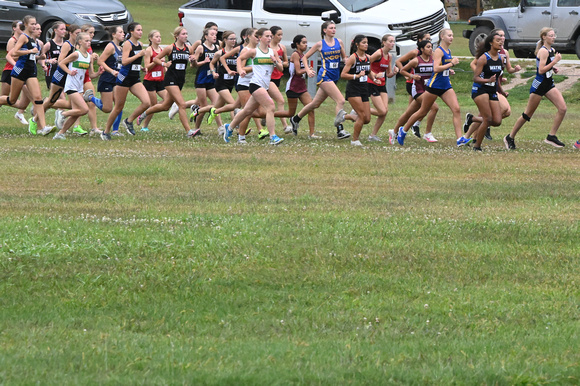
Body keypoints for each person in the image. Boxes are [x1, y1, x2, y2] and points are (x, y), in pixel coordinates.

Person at [397, 28, 470, 147]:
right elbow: (436, 68)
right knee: (422, 111)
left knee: (456, 109)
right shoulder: (438, 51)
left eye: (452, 35)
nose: (452, 37)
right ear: (442, 37)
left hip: (445, 85)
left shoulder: (448, 50)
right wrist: (451, 63)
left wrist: (448, 69)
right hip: (434, 86)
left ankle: (459, 139)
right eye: (449, 35)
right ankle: (403, 130)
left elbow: (442, 67)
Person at [504, 27, 566, 149]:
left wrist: (553, 68)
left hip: (548, 84)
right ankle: (510, 137)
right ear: (544, 37)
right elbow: (541, 70)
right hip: (539, 84)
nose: (553, 38)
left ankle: (551, 136)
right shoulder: (543, 51)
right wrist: (555, 62)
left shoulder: (552, 49)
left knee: (562, 108)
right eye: (551, 35)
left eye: (554, 35)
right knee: (527, 114)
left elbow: (546, 65)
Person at [289, 21, 350, 139]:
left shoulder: (339, 42)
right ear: (324, 30)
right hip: (324, 77)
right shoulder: (320, 44)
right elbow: (305, 57)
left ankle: (295, 119)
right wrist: (307, 70)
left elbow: (344, 57)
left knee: (315, 104)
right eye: (331, 28)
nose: (333, 30)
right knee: (340, 101)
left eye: (334, 28)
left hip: (334, 76)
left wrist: (346, 60)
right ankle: (340, 130)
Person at [136, 26, 200, 138]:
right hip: (170, 79)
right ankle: (189, 132)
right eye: (183, 34)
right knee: (182, 104)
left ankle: (144, 114)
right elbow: (156, 59)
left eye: (186, 34)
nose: (186, 36)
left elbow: (193, 66)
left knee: (165, 106)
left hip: (181, 80)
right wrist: (164, 64)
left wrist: (193, 61)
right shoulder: (170, 48)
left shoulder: (189, 49)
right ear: (177, 36)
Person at [223, 27, 284, 145]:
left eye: (270, 36)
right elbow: (240, 59)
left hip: (265, 85)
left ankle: (229, 127)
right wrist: (240, 70)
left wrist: (275, 62)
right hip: (255, 84)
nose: (269, 38)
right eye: (267, 36)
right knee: (271, 106)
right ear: (260, 38)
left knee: (247, 111)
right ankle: (273, 137)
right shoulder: (254, 52)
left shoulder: (273, 52)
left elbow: (281, 68)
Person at [463, 28, 521, 141]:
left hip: (495, 85)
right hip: (485, 86)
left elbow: (508, 69)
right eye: (499, 36)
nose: (502, 38)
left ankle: (472, 131)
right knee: (500, 111)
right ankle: (473, 136)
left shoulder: (504, 53)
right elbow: (474, 65)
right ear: (492, 39)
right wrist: (484, 76)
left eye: (503, 36)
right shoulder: (486, 55)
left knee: (498, 115)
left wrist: (515, 70)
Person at [0, 16, 51, 135]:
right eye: (32, 24)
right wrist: (29, 51)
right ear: (26, 25)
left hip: (31, 71)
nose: (34, 26)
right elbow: (14, 53)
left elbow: (32, 56)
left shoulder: (34, 40)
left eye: (35, 24)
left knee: (38, 98)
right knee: (12, 100)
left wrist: (40, 57)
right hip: (20, 70)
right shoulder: (24, 37)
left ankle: (43, 128)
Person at [101, 22, 150, 140]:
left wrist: (142, 67)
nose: (141, 32)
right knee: (118, 107)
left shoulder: (140, 44)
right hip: (124, 78)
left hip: (135, 78)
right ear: (131, 32)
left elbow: (135, 63)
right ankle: (106, 131)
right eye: (138, 30)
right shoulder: (128, 44)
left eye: (141, 30)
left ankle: (128, 121)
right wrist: (139, 56)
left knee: (146, 102)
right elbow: (124, 61)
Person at [391, 40, 439, 144]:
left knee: (409, 113)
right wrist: (412, 76)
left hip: (428, 89)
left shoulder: (433, 59)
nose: (431, 49)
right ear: (422, 49)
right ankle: (428, 133)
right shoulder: (416, 60)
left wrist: (448, 71)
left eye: (431, 47)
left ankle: (395, 131)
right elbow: (403, 70)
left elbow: (437, 70)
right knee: (434, 107)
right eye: (428, 47)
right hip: (418, 90)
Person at [53, 32, 98, 139]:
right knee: (84, 109)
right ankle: (62, 114)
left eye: (90, 41)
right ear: (80, 42)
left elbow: (91, 74)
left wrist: (99, 73)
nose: (89, 42)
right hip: (71, 86)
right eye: (86, 41)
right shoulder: (76, 54)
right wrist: (69, 72)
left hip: (79, 87)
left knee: (77, 113)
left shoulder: (88, 57)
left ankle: (60, 134)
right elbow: (61, 63)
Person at [463, 31, 503, 151]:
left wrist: (501, 90)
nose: (501, 41)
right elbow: (475, 77)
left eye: (501, 40)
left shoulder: (500, 58)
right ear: (491, 43)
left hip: (492, 90)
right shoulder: (483, 58)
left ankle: (472, 119)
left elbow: (497, 78)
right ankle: (477, 146)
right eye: (498, 40)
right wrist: (487, 80)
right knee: (487, 119)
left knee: (497, 121)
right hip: (480, 89)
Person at [395, 32, 432, 138]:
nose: (429, 41)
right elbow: (398, 61)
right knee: (429, 107)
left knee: (411, 111)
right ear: (420, 41)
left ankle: (396, 131)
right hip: (413, 85)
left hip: (424, 86)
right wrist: (409, 76)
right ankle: (414, 126)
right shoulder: (414, 53)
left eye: (430, 39)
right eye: (426, 39)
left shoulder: (430, 55)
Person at [341, 35, 371, 146]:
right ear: (357, 44)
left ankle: (344, 116)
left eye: (367, 42)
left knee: (367, 119)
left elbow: (369, 72)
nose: (366, 44)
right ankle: (355, 140)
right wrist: (356, 76)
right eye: (363, 42)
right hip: (353, 90)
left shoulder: (368, 57)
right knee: (362, 116)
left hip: (364, 89)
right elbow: (343, 74)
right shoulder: (353, 58)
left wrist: (375, 78)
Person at [366, 34, 398, 141]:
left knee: (384, 111)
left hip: (382, 85)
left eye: (393, 41)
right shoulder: (378, 53)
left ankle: (373, 135)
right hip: (372, 83)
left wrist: (394, 72)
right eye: (390, 41)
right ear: (384, 42)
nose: (392, 43)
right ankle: (359, 110)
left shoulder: (389, 56)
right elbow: (365, 64)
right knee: (382, 111)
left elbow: (388, 74)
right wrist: (374, 75)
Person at [95, 25, 124, 135]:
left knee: (119, 104)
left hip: (117, 81)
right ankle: (90, 97)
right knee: (107, 108)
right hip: (107, 79)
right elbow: (100, 61)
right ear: (113, 35)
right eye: (120, 32)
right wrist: (111, 71)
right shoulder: (110, 46)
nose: (123, 34)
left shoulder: (121, 48)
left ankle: (115, 130)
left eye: (123, 32)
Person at [285, 34, 316, 138]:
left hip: (302, 87)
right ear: (297, 44)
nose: (306, 45)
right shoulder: (295, 55)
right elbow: (298, 72)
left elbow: (303, 70)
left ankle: (312, 134)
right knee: (290, 112)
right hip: (293, 86)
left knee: (310, 108)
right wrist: (308, 70)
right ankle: (267, 115)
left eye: (306, 42)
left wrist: (308, 69)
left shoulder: (304, 56)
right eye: (303, 43)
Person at [137, 29, 167, 132]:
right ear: (151, 39)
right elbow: (147, 67)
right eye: (156, 37)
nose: (159, 38)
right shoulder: (149, 50)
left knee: (168, 100)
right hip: (150, 81)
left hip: (160, 80)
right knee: (153, 105)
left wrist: (165, 67)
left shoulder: (162, 50)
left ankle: (146, 111)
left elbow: (164, 65)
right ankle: (144, 126)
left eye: (160, 36)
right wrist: (156, 62)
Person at [2, 20, 30, 126]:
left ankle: (20, 112)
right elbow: (11, 55)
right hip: (10, 71)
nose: (22, 28)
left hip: (21, 71)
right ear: (14, 28)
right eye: (20, 26)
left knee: (28, 93)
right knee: (4, 97)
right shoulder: (12, 40)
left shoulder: (24, 40)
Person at [268, 26, 290, 134]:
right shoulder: (266, 48)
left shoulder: (282, 47)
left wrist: (279, 63)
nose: (280, 37)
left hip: (278, 77)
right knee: (280, 101)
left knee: (267, 103)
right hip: (268, 78)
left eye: (281, 35)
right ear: (272, 35)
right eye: (278, 35)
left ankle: (263, 118)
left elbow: (286, 63)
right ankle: (285, 126)